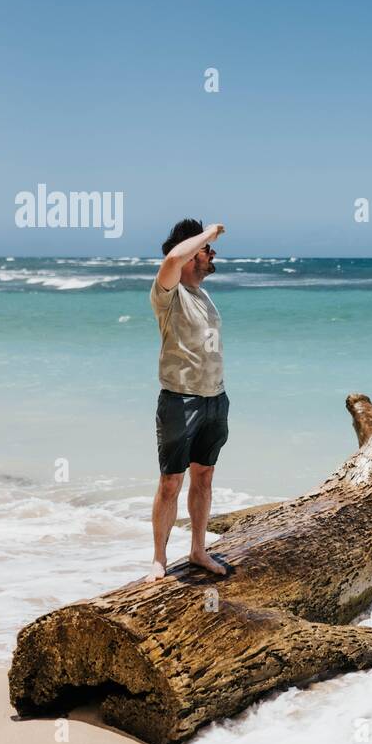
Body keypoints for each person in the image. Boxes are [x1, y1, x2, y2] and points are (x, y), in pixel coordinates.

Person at [146, 219, 230, 581]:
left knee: (205, 476)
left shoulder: (203, 294)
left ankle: (198, 550)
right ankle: (159, 560)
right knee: (170, 482)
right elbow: (171, 261)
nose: (213, 254)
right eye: (208, 250)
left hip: (215, 399)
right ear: (192, 251)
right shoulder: (169, 291)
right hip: (180, 401)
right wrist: (207, 233)